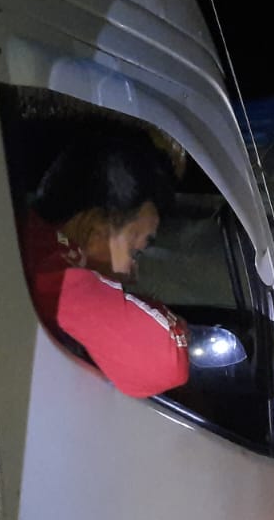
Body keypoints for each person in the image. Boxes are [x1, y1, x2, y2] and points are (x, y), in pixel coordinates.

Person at [19, 134, 189, 398]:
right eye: (134, 250)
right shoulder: (56, 276)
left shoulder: (28, 244)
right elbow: (165, 362)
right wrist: (176, 324)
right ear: (96, 226)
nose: (130, 273)